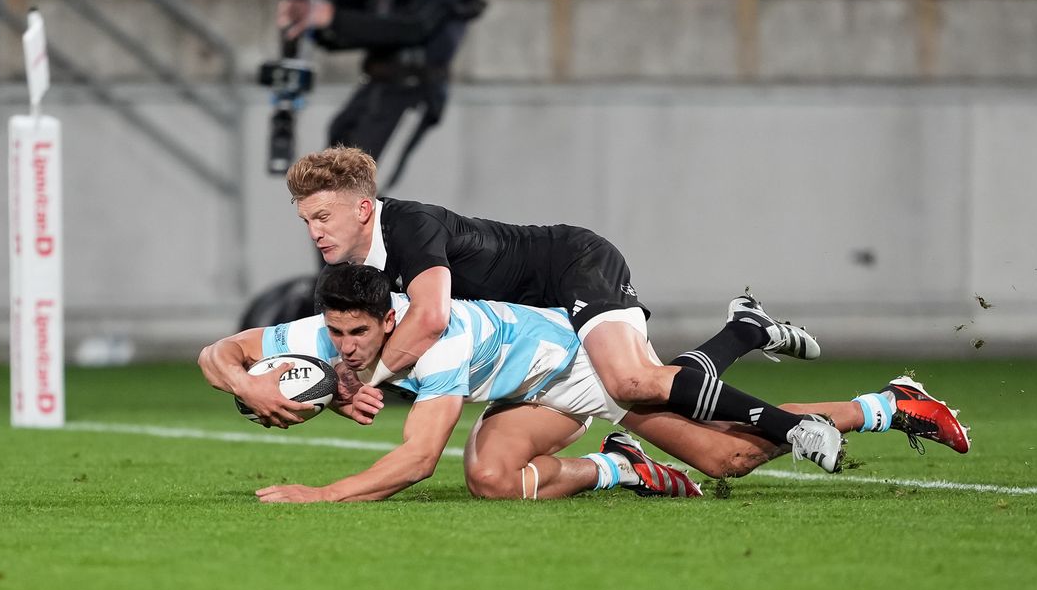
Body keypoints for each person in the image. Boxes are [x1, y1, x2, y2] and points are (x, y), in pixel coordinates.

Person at [277, 145, 848, 473]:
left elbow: (431, 319)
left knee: (632, 380)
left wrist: (360, 378)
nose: (314, 231)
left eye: (322, 216)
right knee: (718, 457)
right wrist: (329, 384)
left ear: (363, 208)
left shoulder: (408, 225)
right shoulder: (360, 276)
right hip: (545, 341)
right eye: (305, 220)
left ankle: (797, 427)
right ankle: (744, 332)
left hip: (572, 266)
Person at [197, 264, 970, 503]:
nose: (344, 347)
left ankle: (888, 404)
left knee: (728, 456)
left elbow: (417, 459)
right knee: (492, 481)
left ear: (392, 319)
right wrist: (254, 389)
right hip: (520, 386)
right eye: (335, 334)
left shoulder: (436, 344)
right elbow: (217, 353)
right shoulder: (328, 328)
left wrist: (323, 494)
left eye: (359, 336)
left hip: (581, 367)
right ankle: (621, 468)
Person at [278, 0, 492, 189]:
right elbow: (370, 6)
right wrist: (315, 14)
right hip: (379, 84)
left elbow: (416, 27)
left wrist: (334, 18)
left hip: (412, 91)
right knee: (335, 173)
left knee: (360, 194)